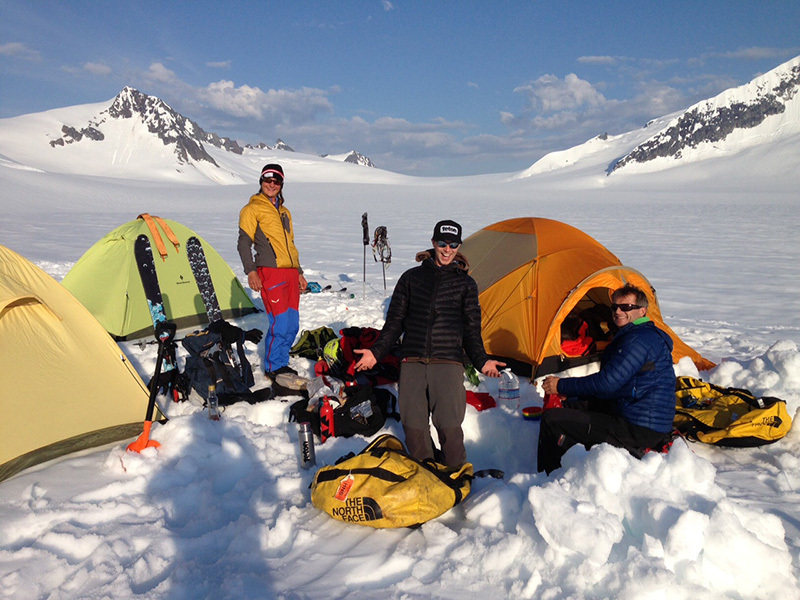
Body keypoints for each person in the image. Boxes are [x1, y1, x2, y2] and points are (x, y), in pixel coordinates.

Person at [353, 220, 505, 468]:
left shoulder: (466, 284)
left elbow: (471, 331)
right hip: (412, 361)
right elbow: (395, 323)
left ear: (459, 246)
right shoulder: (411, 278)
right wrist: (376, 352)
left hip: (448, 362)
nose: (447, 250)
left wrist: (482, 360)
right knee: (413, 428)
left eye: (453, 244)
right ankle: (427, 471)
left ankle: (456, 476)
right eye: (443, 243)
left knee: (449, 428)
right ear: (434, 242)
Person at [537, 284, 676, 474]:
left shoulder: (638, 341)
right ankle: (574, 458)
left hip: (639, 429)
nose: (618, 311)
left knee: (552, 420)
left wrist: (561, 384)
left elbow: (607, 383)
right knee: (572, 405)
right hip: (635, 413)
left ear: (642, 311)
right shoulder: (640, 334)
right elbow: (618, 386)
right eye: (615, 307)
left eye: (626, 307)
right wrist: (570, 396)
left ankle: (548, 478)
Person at [237, 164, 307, 377]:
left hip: (290, 273)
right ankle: (274, 368)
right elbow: (243, 243)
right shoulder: (252, 209)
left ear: (281, 185)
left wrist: (300, 272)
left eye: (276, 181)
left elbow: (290, 243)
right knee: (280, 323)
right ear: (261, 182)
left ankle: (282, 362)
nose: (271, 185)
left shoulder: (285, 212)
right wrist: (251, 271)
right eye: (267, 180)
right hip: (270, 272)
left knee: (293, 324)